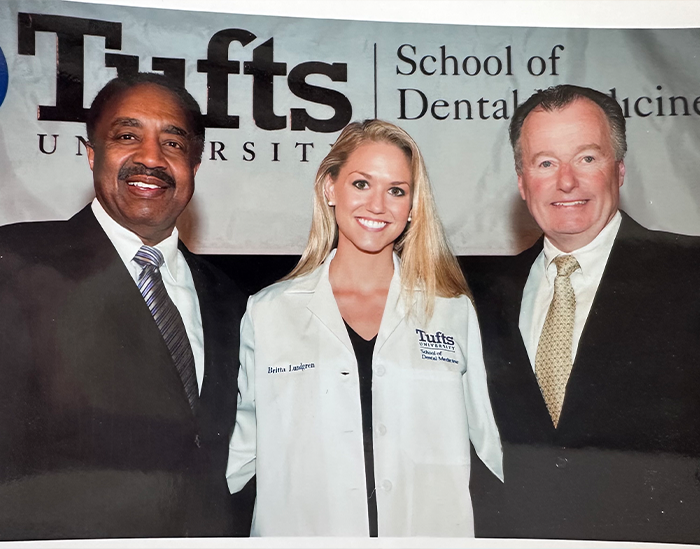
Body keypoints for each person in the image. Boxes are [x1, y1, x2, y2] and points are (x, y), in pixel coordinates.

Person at [0, 73, 251, 539]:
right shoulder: (13, 264)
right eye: (127, 136)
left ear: (195, 166)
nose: (151, 158)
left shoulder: (231, 301)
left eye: (173, 143)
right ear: (92, 153)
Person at [226, 119, 503, 536]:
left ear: (412, 208)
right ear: (329, 188)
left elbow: (490, 451)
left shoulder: (452, 312)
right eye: (361, 184)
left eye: (396, 190)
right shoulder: (268, 312)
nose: (378, 205)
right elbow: (239, 456)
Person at [464, 84, 700, 544]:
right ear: (521, 180)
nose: (565, 181)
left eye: (587, 158)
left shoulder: (690, 273)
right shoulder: (477, 297)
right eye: (545, 162)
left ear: (620, 168)